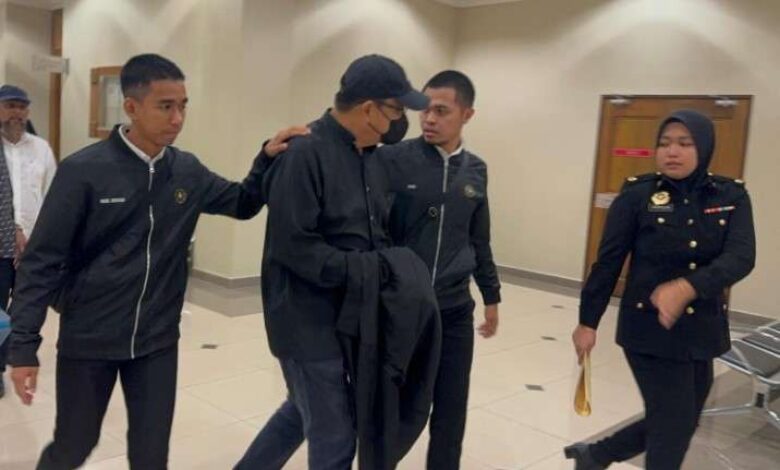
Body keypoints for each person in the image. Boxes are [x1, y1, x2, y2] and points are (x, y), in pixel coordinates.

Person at [6, 53, 280, 470]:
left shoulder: (187, 170)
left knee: (151, 454)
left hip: (156, 341)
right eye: (165, 106)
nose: (177, 118)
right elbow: (41, 262)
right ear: (131, 107)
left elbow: (243, 203)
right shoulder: (84, 171)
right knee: (74, 445)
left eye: (183, 105)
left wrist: (267, 159)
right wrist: (24, 348)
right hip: (89, 338)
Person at [235, 54, 430, 470]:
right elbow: (295, 247)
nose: (402, 122)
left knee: (300, 412)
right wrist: (368, 268)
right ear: (369, 109)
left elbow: (374, 230)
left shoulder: (369, 158)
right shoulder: (303, 154)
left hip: (350, 314)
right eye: (397, 110)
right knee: (335, 436)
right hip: (305, 319)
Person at [566, 110, 756, 470]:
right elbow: (608, 262)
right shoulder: (637, 195)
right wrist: (587, 322)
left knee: (682, 420)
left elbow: (741, 257)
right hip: (649, 328)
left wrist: (688, 287)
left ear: (704, 148)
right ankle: (596, 455)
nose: (672, 151)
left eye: (685, 143)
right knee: (673, 427)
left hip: (702, 329)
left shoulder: (731, 195)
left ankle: (596, 455)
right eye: (665, 143)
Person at [379, 70, 501, 469]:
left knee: (451, 410)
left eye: (441, 111)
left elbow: (479, 239)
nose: (429, 119)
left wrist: (492, 296)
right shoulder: (394, 159)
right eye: (425, 110)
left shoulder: (476, 170)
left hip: (453, 310)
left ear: (467, 114)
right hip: (402, 310)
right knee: (399, 409)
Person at [0, 85, 58, 398]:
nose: (17, 113)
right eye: (10, 105)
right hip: (0, 246)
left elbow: (53, 197)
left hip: (34, 247)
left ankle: (15, 355)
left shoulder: (41, 148)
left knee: (25, 307)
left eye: (22, 107)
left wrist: (45, 241)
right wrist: (13, 231)